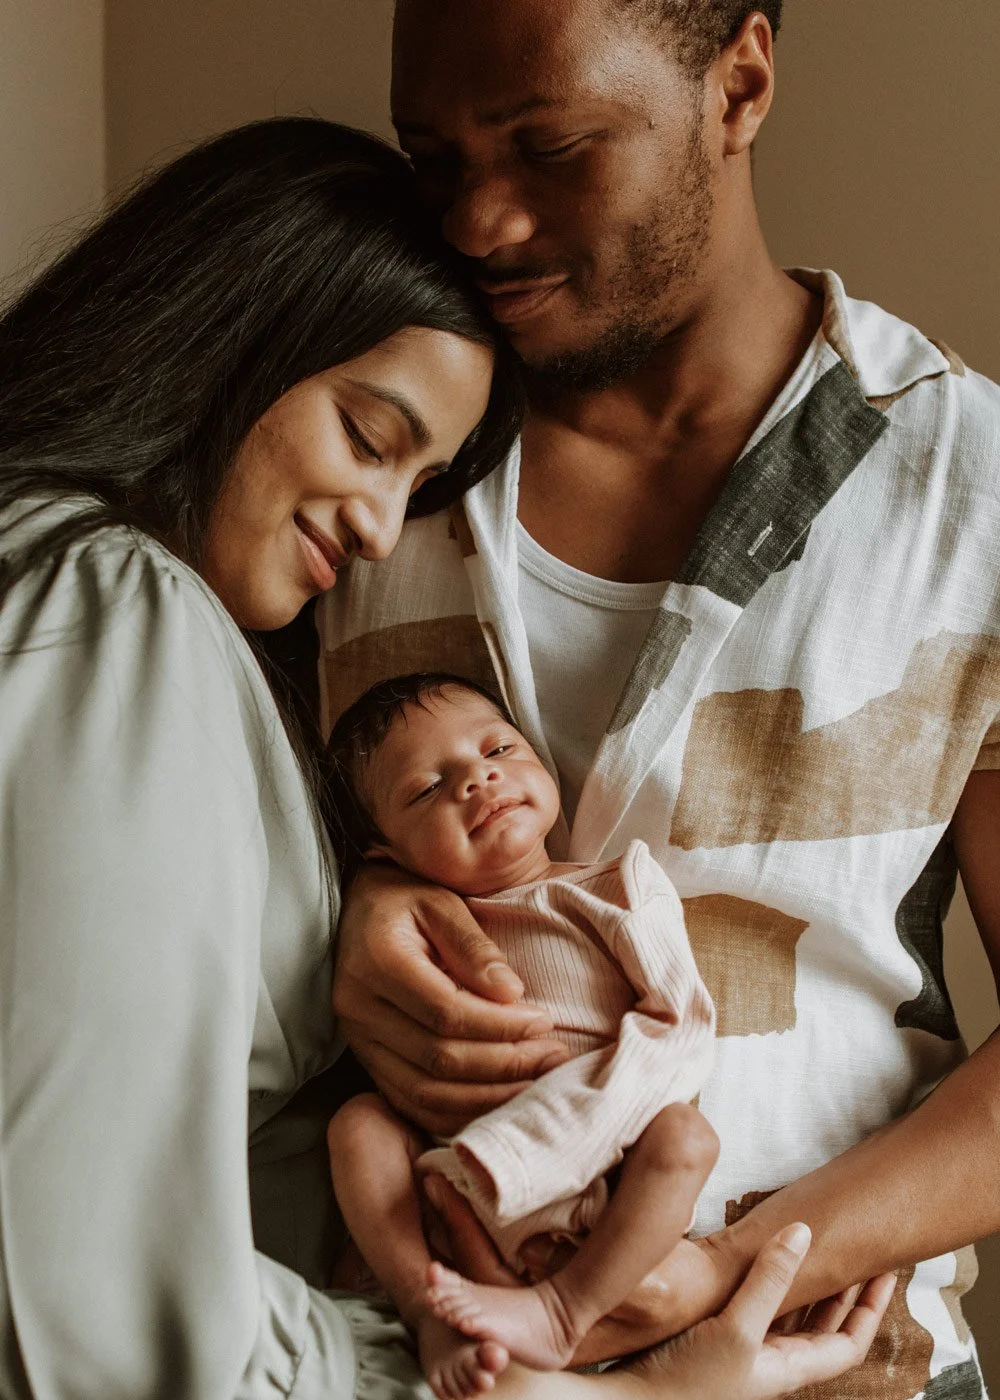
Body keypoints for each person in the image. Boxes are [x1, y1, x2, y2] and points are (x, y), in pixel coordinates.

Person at [0, 112, 891, 1400]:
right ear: (225, 333)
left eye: (415, 484)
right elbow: (92, 1290)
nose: (375, 532)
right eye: (369, 438)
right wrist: (602, 1395)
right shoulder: (112, 607)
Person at [319, 2, 1000, 1395]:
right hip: (408, 1363)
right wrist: (363, 909)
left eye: (550, 146)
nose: (477, 223)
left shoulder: (971, 494)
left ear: (739, 84)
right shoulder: (364, 452)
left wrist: (730, 1268)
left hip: (837, 1373)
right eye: (430, 157)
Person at [325, 672, 716, 1397]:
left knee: (689, 1141)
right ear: (386, 858)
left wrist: (559, 1130)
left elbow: (682, 1025)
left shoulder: (615, 887)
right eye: (425, 789)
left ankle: (564, 1311)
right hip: (455, 1177)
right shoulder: (414, 933)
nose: (477, 778)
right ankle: (423, 1299)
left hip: (606, 1165)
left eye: (498, 748)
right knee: (358, 1126)